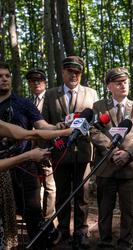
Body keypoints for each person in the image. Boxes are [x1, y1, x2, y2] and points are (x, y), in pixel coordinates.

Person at [0, 61, 61, 250]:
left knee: (33, 213)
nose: (4, 79)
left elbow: (41, 126)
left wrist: (58, 128)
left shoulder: (24, 103)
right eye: (0, 76)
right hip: (1, 170)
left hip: (26, 168)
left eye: (7, 76)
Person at [42, 55, 98, 248]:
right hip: (60, 153)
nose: (74, 75)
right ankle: (63, 230)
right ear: (63, 72)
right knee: (62, 193)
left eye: (77, 72)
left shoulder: (91, 93)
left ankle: (81, 232)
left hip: (83, 152)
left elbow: (95, 124)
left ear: (81, 74)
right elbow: (43, 123)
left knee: (82, 194)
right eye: (70, 71)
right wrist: (56, 128)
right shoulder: (50, 95)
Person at [91, 67, 133, 250]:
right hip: (105, 168)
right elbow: (93, 130)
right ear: (109, 86)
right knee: (105, 209)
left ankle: (126, 243)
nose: (123, 85)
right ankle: (105, 242)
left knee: (127, 210)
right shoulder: (99, 106)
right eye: (118, 82)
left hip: (129, 168)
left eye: (125, 81)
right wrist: (112, 151)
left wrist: (128, 154)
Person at [26, 68, 57, 226]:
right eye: (32, 80)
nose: (36, 83)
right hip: (30, 149)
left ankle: (49, 219)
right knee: (34, 184)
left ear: (45, 82)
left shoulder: (52, 99)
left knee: (50, 184)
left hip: (49, 147)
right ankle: (37, 217)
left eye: (39, 80)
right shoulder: (27, 102)